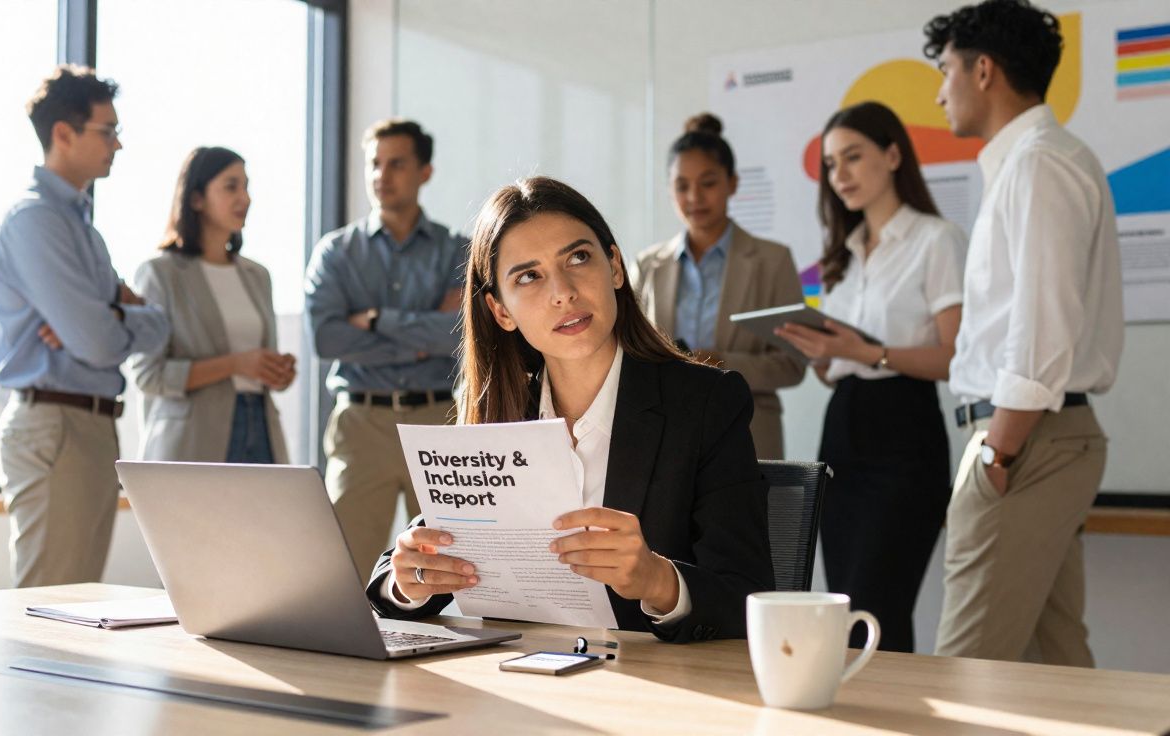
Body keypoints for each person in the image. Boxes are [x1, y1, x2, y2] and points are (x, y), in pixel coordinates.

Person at [364, 176, 775, 642]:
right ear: (501, 311)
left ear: (615, 267)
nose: (563, 292)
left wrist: (657, 580)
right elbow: (412, 566)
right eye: (529, 276)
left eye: (579, 258)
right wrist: (407, 580)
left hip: (655, 688)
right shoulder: (499, 409)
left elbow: (750, 596)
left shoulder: (706, 403)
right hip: (518, 683)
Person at [924, 0, 1123, 665]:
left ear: (983, 71)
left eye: (946, 69)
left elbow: (1043, 332)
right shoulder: (1035, 161)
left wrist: (998, 454)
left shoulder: (1039, 163)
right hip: (1037, 442)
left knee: (966, 669)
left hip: (1024, 442)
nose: (939, 89)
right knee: (1055, 660)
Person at [775, 101, 966, 653]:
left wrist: (867, 351)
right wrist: (823, 356)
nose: (841, 176)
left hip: (904, 435)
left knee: (878, 605)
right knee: (846, 610)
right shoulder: (845, 255)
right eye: (832, 166)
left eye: (853, 157)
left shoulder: (937, 239)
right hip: (843, 435)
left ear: (892, 154)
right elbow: (843, 368)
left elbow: (955, 356)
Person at [0, 65, 169, 587]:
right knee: (49, 616)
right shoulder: (34, 220)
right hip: (56, 423)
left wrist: (111, 315)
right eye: (107, 131)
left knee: (74, 608)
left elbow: (157, 327)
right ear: (63, 133)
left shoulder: (81, 229)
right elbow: (98, 341)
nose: (118, 144)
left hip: (88, 425)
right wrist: (111, 317)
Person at [305, 119, 468, 583]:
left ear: (425, 171)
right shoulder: (335, 253)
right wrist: (422, 340)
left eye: (396, 163)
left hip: (439, 422)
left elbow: (460, 336)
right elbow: (328, 339)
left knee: (451, 568)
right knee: (345, 571)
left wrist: (378, 320)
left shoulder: (459, 251)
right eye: (374, 164)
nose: (382, 175)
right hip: (362, 425)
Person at [633, 113, 806, 459]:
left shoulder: (772, 260)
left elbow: (791, 363)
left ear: (733, 183)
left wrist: (721, 362)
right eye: (682, 186)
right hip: (665, 435)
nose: (694, 197)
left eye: (708, 182)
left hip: (749, 430)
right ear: (670, 191)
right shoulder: (648, 265)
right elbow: (632, 351)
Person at [129, 147, 295, 464]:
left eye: (247, 187)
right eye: (231, 186)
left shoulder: (258, 276)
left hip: (260, 429)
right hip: (192, 441)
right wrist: (236, 364)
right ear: (196, 199)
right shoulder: (160, 274)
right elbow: (149, 376)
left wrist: (278, 372)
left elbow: (261, 363)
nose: (245, 198)